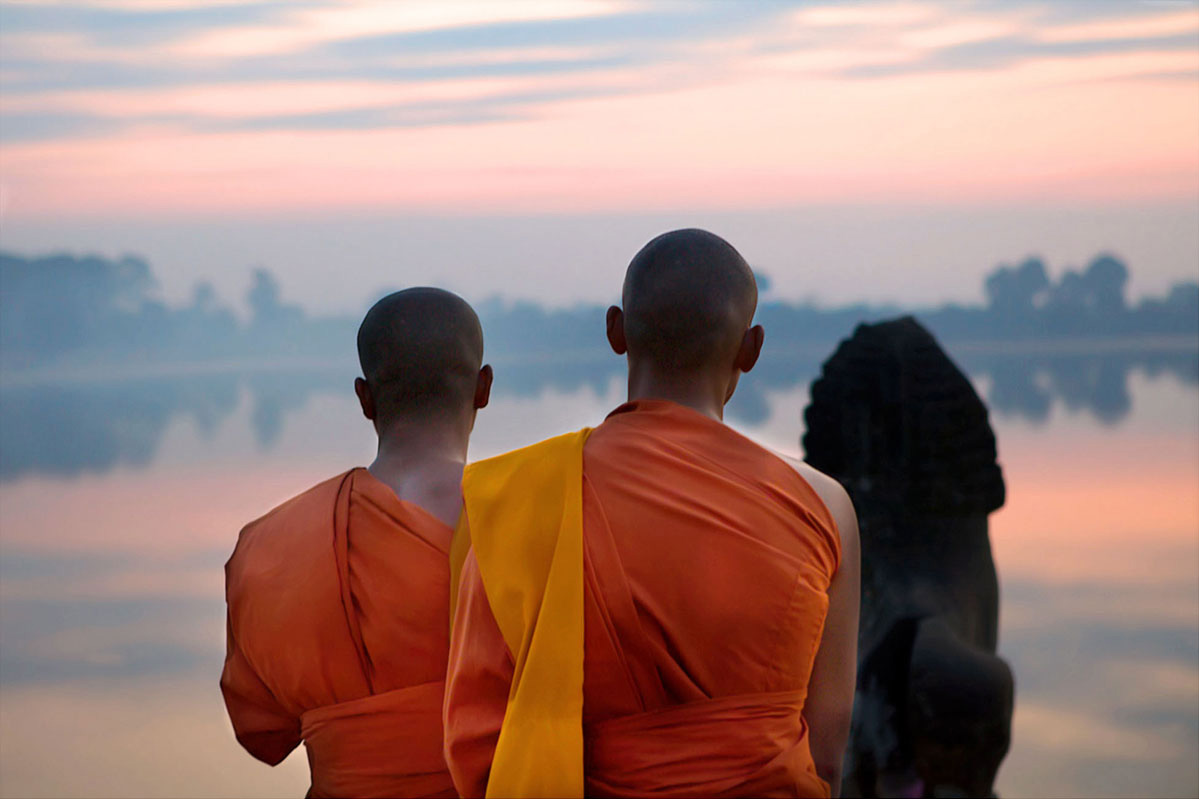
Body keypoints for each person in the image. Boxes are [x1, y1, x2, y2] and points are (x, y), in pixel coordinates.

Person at [443, 229, 860, 798]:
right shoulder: (823, 505)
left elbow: (477, 735)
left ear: (615, 331)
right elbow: (829, 750)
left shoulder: (521, 497)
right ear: (752, 348)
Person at [221, 288, 492, 798]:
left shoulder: (269, 547)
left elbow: (264, 732)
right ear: (483, 387)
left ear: (364, 398)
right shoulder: (538, 518)